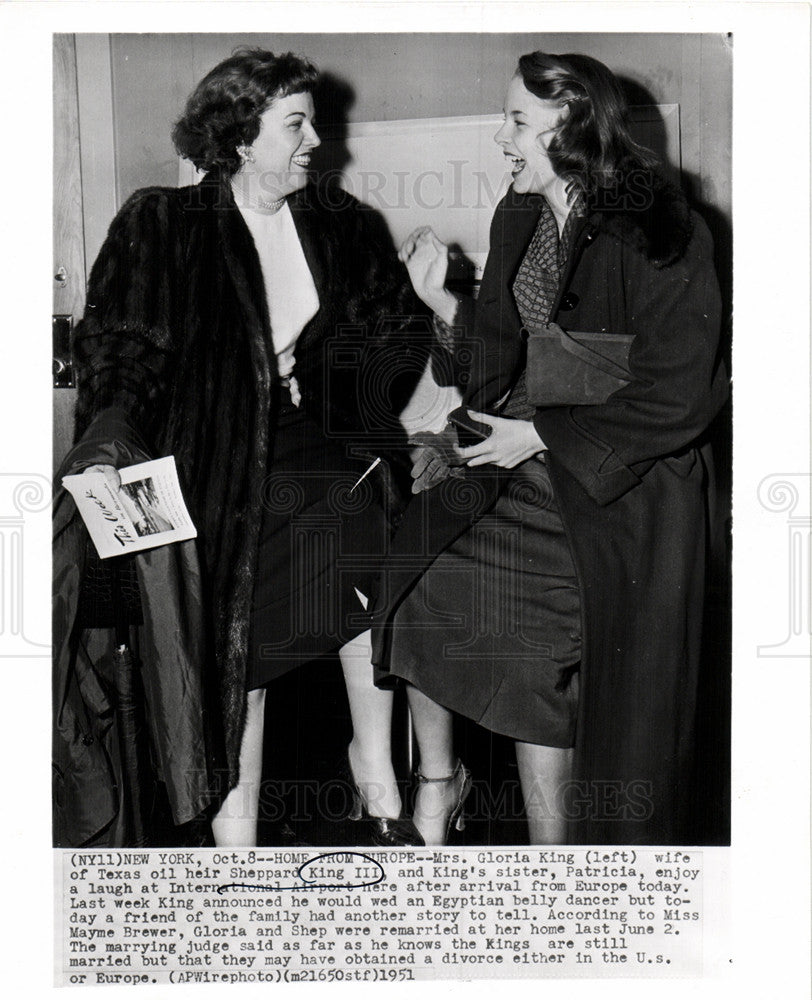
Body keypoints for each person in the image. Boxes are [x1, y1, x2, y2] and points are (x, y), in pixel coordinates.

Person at [53, 48, 429, 848]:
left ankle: (378, 777)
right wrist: (109, 441)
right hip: (215, 457)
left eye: (311, 121)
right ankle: (237, 844)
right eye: (295, 123)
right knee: (240, 643)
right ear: (240, 136)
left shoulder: (344, 225)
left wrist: (350, 360)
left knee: (369, 549)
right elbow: (120, 348)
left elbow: (391, 343)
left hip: (317, 442)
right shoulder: (162, 221)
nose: (314, 140)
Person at [373, 51, 728, 845]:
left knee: (530, 649)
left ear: (570, 128)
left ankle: (556, 864)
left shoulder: (663, 227)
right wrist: (440, 305)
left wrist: (540, 433)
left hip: (625, 485)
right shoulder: (519, 215)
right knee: (422, 587)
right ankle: (443, 785)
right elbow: (495, 364)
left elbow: (684, 392)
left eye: (518, 123)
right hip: (523, 465)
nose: (501, 137)